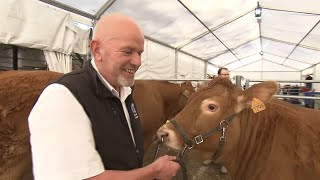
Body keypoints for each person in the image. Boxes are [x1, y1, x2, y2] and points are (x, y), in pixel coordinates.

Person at [28, 13, 180, 180]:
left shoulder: (125, 91)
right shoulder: (62, 98)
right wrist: (153, 172)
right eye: (127, 51)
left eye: (139, 53)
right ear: (97, 50)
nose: (137, 62)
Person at [202, 67, 229, 174]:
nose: (226, 76)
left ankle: (225, 162)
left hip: (228, 119)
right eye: (224, 74)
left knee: (227, 141)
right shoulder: (213, 87)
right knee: (213, 139)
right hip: (214, 118)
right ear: (219, 75)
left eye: (227, 74)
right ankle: (212, 158)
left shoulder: (232, 87)